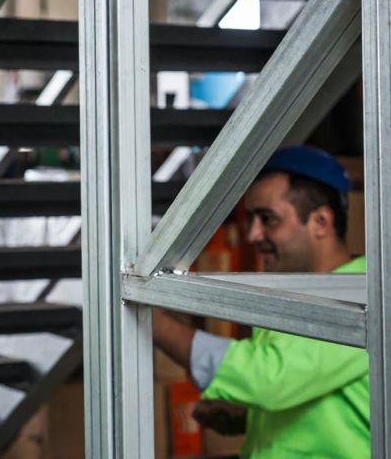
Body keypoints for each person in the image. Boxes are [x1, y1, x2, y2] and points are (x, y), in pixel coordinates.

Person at [152, 145, 368, 458]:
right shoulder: (296, 292)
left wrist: (157, 325)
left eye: (268, 219)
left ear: (320, 222)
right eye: (251, 219)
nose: (253, 234)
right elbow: (299, 386)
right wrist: (250, 418)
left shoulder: (361, 299)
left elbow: (268, 377)